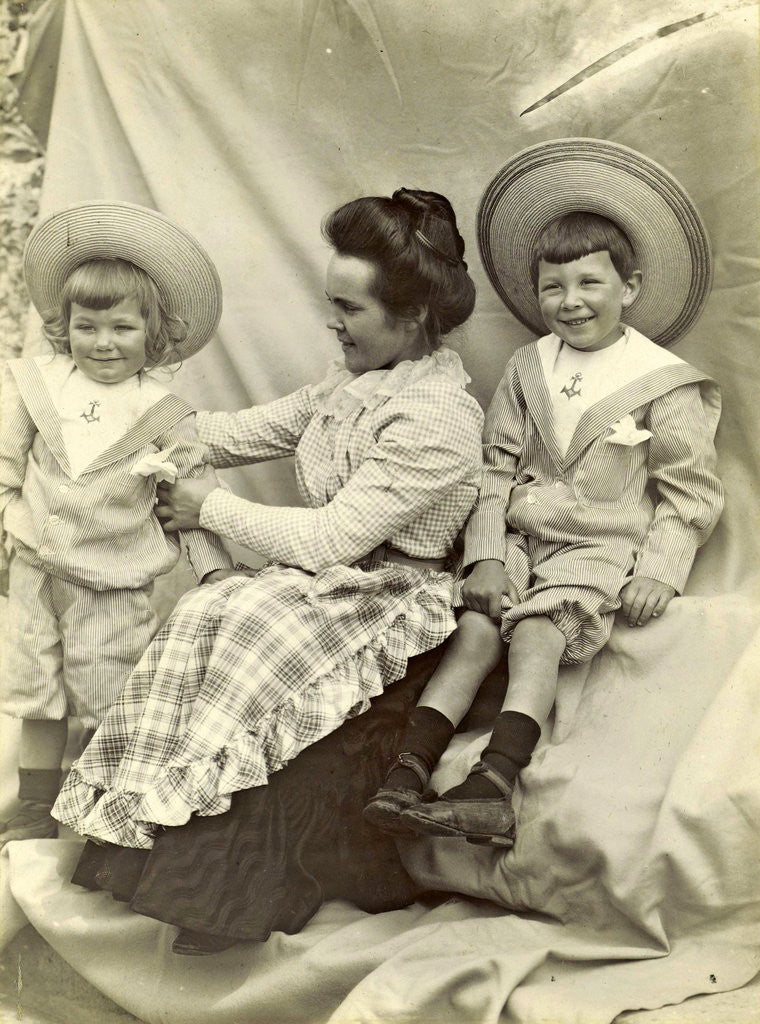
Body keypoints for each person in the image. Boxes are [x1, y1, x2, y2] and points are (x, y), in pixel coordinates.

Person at [51, 188, 484, 954]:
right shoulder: (350, 381)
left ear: (413, 316)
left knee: (248, 620)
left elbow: (332, 539)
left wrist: (207, 508)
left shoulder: (439, 418)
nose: (334, 323)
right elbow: (252, 428)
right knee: (203, 615)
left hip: (393, 601)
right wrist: (172, 436)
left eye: (350, 310)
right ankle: (144, 846)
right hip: (331, 588)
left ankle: (214, 884)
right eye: (333, 305)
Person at [364, 140, 724, 846]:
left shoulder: (664, 381)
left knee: (533, 634)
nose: (570, 302)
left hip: (599, 542)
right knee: (473, 630)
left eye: (590, 283)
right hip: (523, 537)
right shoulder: (530, 366)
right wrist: (487, 556)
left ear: (631, 286)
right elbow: (494, 470)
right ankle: (406, 771)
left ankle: (493, 782)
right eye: (553, 287)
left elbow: (687, 491)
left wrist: (659, 567)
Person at [0, 202, 233, 849]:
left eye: (123, 328)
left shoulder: (161, 413)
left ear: (155, 334)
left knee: (110, 692)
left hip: (116, 583)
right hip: (37, 571)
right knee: (37, 687)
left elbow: (189, 497)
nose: (102, 343)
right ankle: (34, 800)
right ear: (63, 327)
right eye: (87, 326)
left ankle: (98, 798)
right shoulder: (36, 387)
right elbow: (4, 464)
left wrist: (215, 570)